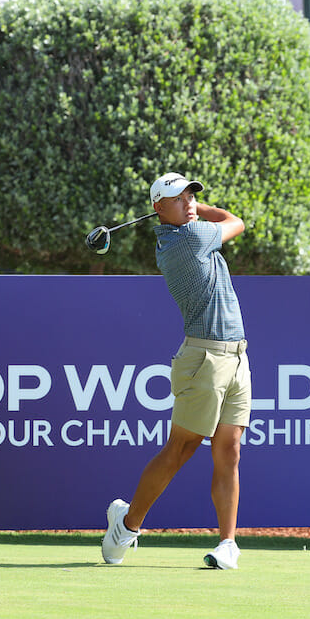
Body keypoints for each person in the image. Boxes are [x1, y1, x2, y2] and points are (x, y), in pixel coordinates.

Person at [102, 172, 251, 570]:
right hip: (204, 358)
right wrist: (202, 210)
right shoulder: (188, 239)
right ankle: (127, 526)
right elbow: (235, 221)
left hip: (237, 355)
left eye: (191, 196)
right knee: (181, 449)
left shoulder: (187, 232)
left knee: (229, 450)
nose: (188, 203)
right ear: (158, 208)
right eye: (178, 198)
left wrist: (192, 207)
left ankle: (228, 544)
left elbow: (224, 220)